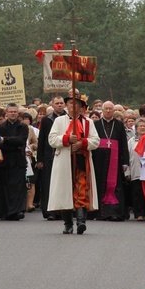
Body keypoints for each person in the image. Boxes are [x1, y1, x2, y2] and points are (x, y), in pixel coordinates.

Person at [48, 94, 100, 234]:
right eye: (70, 103)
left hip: (82, 161)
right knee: (65, 190)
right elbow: (52, 139)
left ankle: (81, 221)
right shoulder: (59, 121)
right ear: (66, 105)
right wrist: (66, 139)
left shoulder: (88, 122)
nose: (73, 106)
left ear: (81, 107)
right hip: (64, 160)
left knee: (81, 188)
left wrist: (82, 143)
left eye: (76, 104)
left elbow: (96, 141)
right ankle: (68, 223)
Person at [92, 101, 130, 221]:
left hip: (116, 159)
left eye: (110, 109)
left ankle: (115, 212)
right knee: (100, 184)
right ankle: (100, 213)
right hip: (99, 160)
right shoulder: (96, 124)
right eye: (106, 109)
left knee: (115, 185)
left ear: (114, 111)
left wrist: (125, 162)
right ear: (102, 110)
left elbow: (124, 143)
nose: (108, 111)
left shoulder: (119, 124)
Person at [0, 103, 29, 220]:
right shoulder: (0, 127)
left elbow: (21, 141)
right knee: (5, 187)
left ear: (18, 113)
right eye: (11, 111)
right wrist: (11, 143)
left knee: (18, 187)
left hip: (18, 161)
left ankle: (18, 210)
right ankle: (7, 211)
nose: (13, 113)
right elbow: (1, 144)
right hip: (5, 161)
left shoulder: (23, 127)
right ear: (7, 113)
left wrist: (7, 140)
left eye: (15, 111)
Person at [37, 96, 66, 219]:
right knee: (48, 184)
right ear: (52, 105)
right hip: (49, 156)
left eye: (61, 103)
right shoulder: (46, 120)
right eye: (57, 103)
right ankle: (50, 211)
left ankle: (64, 211)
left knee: (63, 185)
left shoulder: (68, 118)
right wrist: (40, 159)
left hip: (64, 155)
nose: (59, 105)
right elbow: (42, 140)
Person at [127, 118, 145, 220]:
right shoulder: (131, 141)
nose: (142, 128)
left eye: (144, 126)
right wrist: (127, 172)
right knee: (137, 193)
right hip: (135, 170)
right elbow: (127, 156)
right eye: (140, 126)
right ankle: (139, 214)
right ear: (136, 128)